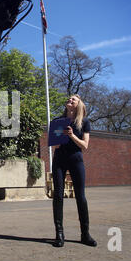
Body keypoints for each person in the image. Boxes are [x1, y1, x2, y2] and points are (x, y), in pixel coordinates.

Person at [51, 94, 97, 247]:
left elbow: (84, 145)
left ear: (78, 105)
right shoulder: (58, 121)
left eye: (73, 100)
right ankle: (59, 234)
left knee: (81, 197)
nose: (69, 101)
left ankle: (85, 234)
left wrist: (71, 135)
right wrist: (57, 137)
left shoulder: (84, 122)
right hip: (59, 160)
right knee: (58, 195)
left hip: (76, 159)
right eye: (69, 99)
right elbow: (54, 144)